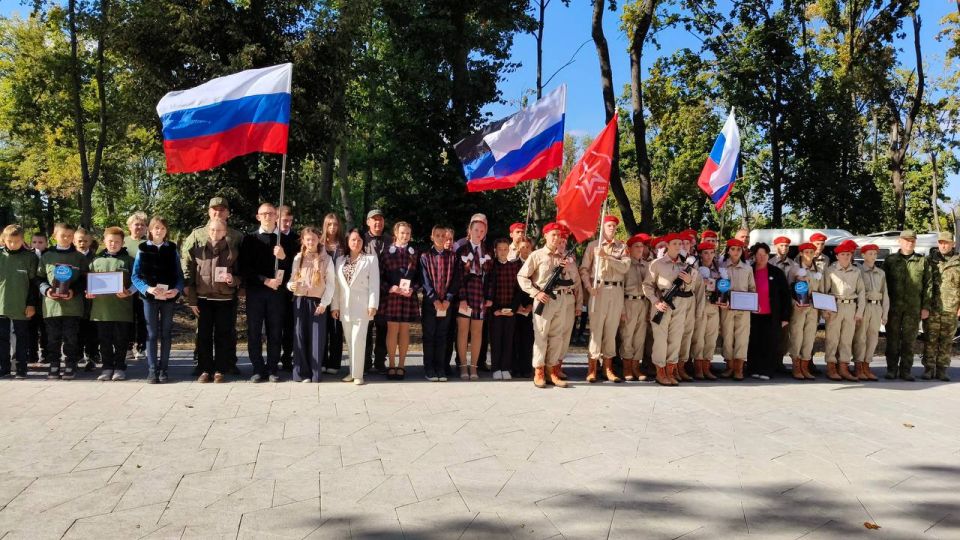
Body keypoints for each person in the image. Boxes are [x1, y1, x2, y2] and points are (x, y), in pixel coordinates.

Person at [180, 198, 243, 375]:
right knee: (203, 332)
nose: (218, 213)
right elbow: (186, 260)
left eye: (222, 210)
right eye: (214, 210)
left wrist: (239, 284)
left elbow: (241, 266)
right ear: (209, 212)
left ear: (228, 213)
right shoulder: (197, 234)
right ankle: (202, 364)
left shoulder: (237, 236)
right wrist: (187, 283)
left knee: (228, 329)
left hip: (227, 293)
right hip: (203, 292)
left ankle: (228, 363)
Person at [517, 223, 581, 388]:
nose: (556, 238)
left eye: (558, 235)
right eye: (553, 235)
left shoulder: (565, 257)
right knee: (541, 336)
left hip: (561, 300)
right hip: (544, 299)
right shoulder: (537, 255)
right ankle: (538, 371)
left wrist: (569, 268)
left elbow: (574, 282)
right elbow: (522, 276)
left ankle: (551, 370)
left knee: (557, 337)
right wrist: (536, 293)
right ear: (545, 236)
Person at [240, 203, 296, 383]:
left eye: (271, 214)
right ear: (258, 217)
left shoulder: (285, 241)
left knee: (275, 331)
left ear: (276, 216)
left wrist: (284, 258)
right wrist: (265, 280)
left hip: (277, 294)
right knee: (254, 331)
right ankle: (258, 368)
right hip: (256, 292)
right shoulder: (249, 239)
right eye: (264, 214)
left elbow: (294, 269)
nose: (267, 217)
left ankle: (272, 368)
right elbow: (244, 269)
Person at [132, 216, 184, 383]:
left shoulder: (172, 249)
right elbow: (135, 276)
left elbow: (179, 276)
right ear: (150, 230)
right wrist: (148, 289)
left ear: (166, 230)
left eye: (162, 228)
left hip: (168, 298)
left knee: (166, 333)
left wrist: (176, 290)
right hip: (150, 298)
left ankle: (164, 369)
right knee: (152, 334)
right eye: (156, 228)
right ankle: (152, 369)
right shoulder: (142, 249)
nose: (159, 231)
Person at [580, 215, 630, 383]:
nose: (612, 228)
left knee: (611, 330)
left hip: (616, 290)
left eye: (614, 226)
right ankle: (592, 368)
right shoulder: (593, 246)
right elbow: (584, 269)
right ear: (602, 227)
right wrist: (588, 287)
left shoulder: (622, 247)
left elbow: (625, 267)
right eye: (608, 225)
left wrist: (607, 257)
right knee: (596, 330)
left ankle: (608, 368)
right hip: (598, 289)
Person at [643, 233, 696, 386]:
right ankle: (660, 372)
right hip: (663, 303)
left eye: (680, 244)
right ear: (667, 245)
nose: (678, 246)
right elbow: (647, 285)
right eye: (675, 243)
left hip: (680, 304)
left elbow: (691, 288)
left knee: (676, 338)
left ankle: (670, 371)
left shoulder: (685, 265)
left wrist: (689, 280)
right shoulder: (657, 263)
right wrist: (655, 302)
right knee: (660, 340)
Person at [38, 223, 88, 380]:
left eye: (69, 236)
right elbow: (39, 278)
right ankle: (54, 364)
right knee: (52, 337)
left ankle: (70, 364)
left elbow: (85, 279)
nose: (66, 239)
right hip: (51, 306)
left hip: (72, 306)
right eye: (62, 235)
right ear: (54, 236)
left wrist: (74, 290)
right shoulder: (47, 256)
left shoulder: (79, 257)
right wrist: (46, 290)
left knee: (71, 337)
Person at [287, 226, 336, 383]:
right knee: (300, 336)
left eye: (313, 239)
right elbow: (291, 279)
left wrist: (325, 303)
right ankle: (301, 372)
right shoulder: (298, 258)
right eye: (307, 239)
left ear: (318, 240)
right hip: (300, 300)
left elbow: (331, 284)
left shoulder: (326, 259)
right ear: (303, 241)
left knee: (316, 337)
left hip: (317, 302)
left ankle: (315, 373)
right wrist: (290, 286)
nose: (310, 242)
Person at [86, 227, 135, 382]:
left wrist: (129, 292)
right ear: (104, 241)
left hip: (122, 309)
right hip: (101, 310)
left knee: (121, 340)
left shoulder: (129, 260)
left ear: (122, 242)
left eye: (117, 242)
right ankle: (107, 367)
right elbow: (88, 281)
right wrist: (88, 291)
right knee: (104, 340)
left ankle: (120, 367)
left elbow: (137, 281)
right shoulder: (95, 261)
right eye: (110, 241)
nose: (113, 244)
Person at [332, 229, 380, 385]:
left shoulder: (370, 260)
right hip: (344, 307)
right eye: (353, 240)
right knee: (350, 341)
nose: (356, 243)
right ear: (347, 242)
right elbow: (337, 286)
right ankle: (352, 372)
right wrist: (335, 306)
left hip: (362, 306)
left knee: (359, 340)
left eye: (359, 240)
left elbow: (374, 285)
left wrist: (373, 304)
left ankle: (358, 375)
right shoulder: (340, 260)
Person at [883, 230, 931, 381]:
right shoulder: (890, 261)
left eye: (912, 240)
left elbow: (928, 286)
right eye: (906, 240)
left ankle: (906, 371)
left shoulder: (922, 261)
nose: (909, 243)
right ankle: (891, 369)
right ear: (900, 241)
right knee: (892, 340)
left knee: (909, 341)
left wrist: (925, 307)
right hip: (893, 308)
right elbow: (883, 285)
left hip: (913, 308)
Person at [455, 215, 493, 380]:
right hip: (465, 292)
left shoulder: (487, 250)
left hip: (480, 294)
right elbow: (457, 276)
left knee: (477, 332)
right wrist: (462, 298)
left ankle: (474, 367)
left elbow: (491, 276)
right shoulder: (461, 250)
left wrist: (489, 296)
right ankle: (463, 366)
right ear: (469, 231)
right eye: (476, 230)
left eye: (482, 230)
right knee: (463, 331)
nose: (479, 233)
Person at [419, 225, 459, 382]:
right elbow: (425, 281)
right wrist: (435, 300)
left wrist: (448, 299)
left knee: (442, 336)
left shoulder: (453, 257)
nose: (441, 238)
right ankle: (429, 368)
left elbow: (456, 280)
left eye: (444, 236)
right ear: (432, 237)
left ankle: (440, 367)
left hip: (446, 304)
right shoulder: (425, 257)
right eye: (438, 235)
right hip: (431, 304)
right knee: (429, 336)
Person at [746, 243, 792, 380]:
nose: (761, 258)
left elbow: (785, 295)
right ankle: (753, 368)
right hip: (752, 315)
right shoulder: (749, 270)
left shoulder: (776, 273)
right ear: (754, 256)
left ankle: (766, 370)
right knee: (754, 342)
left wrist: (785, 317)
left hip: (771, 315)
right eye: (759, 255)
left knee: (769, 343)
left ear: (768, 255)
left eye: (764, 255)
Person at [380, 221, 419, 380]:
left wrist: (413, 289)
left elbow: (420, 277)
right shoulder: (386, 253)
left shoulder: (415, 252)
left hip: (407, 297)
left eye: (408, 233)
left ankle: (401, 365)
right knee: (392, 330)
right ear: (395, 234)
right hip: (392, 296)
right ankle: (391, 365)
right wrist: (389, 287)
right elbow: (380, 275)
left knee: (404, 330)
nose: (405, 236)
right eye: (402, 233)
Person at [822, 239, 864, 381]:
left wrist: (859, 312)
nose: (846, 257)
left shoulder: (856, 271)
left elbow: (862, 293)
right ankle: (831, 366)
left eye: (848, 254)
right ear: (837, 256)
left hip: (851, 306)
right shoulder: (830, 271)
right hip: (835, 306)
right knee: (832, 338)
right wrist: (825, 310)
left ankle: (844, 367)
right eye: (843, 254)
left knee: (846, 339)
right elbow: (824, 291)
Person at [0, 225, 39, 378]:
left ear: (23, 240)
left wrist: (31, 304)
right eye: (9, 241)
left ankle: (22, 368)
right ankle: (4, 368)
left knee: (22, 337)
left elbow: (34, 283)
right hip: (1, 305)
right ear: (4, 239)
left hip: (22, 306)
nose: (13, 244)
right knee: (2, 338)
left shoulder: (30, 257)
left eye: (16, 241)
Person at [921, 232, 959, 381]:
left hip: (951, 308)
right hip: (932, 307)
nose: (943, 245)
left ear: (953, 244)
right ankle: (928, 369)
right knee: (930, 339)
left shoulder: (958, 262)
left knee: (946, 341)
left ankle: (942, 370)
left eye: (947, 243)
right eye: (941, 242)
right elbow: (924, 284)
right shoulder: (930, 261)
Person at [719, 238, 755, 381]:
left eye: (738, 249)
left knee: (742, 337)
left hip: (744, 308)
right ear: (728, 251)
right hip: (727, 307)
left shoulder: (747, 268)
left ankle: (739, 368)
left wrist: (752, 302)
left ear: (742, 251)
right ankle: (729, 366)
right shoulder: (722, 266)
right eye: (732, 249)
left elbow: (752, 288)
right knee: (727, 336)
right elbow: (719, 285)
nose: (735, 252)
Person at [488, 238, 523, 380]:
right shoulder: (491, 267)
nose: (503, 252)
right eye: (500, 249)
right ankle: (496, 367)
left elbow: (518, 290)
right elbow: (490, 289)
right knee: (496, 339)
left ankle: (505, 367)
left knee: (508, 339)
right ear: (495, 251)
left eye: (505, 249)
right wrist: (494, 308)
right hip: (495, 310)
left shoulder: (514, 267)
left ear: (509, 250)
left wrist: (513, 309)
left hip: (510, 310)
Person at [787, 243, 823, 380]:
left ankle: (805, 365)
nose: (809, 254)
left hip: (813, 308)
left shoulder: (817, 271)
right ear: (801, 253)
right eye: (806, 252)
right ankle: (796, 365)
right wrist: (793, 302)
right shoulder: (794, 269)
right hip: (799, 308)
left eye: (811, 252)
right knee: (797, 336)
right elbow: (789, 289)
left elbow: (822, 290)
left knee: (809, 337)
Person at [852, 244, 887, 381]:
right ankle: (858, 366)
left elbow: (885, 294)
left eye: (874, 254)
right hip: (864, 306)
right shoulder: (858, 271)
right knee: (861, 337)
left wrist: (885, 313)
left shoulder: (881, 273)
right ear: (863, 255)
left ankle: (867, 365)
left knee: (873, 338)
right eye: (870, 254)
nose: (873, 256)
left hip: (876, 306)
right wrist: (858, 311)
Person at [619, 233, 651, 382]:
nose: (640, 249)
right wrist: (622, 310)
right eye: (636, 246)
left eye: (642, 246)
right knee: (627, 335)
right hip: (629, 302)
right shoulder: (625, 265)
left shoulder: (647, 265)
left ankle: (636, 367)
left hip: (643, 303)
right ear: (629, 249)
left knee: (640, 337)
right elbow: (620, 289)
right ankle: (626, 367)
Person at [363, 209, 391, 375]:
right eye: (374, 220)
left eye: (380, 220)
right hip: (366, 290)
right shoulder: (362, 239)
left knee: (383, 328)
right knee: (366, 327)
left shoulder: (390, 240)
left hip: (385, 291)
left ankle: (380, 361)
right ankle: (365, 362)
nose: (377, 223)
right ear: (368, 222)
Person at [320, 213, 345, 376]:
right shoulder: (319, 244)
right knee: (322, 329)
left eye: (335, 224)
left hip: (339, 291)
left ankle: (334, 362)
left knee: (336, 329)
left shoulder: (343, 245)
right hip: (321, 291)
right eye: (329, 224)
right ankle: (321, 361)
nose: (332, 228)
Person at [691, 241, 720, 380]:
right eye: (706, 253)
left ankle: (706, 367)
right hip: (700, 305)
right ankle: (697, 368)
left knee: (711, 338)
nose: (709, 256)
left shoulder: (718, 270)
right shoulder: (695, 269)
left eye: (711, 253)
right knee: (699, 338)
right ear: (701, 255)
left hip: (714, 306)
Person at [74, 227, 100, 372]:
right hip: (75, 300)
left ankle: (92, 357)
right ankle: (77, 356)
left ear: (90, 242)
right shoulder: (71, 257)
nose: (82, 243)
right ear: (74, 241)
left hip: (92, 301)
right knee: (77, 330)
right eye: (79, 241)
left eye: (85, 241)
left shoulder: (96, 259)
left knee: (92, 330)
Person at [125, 211, 149, 361]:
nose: (139, 227)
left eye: (142, 224)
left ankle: (141, 347)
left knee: (143, 318)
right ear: (129, 226)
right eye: (136, 224)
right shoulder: (123, 241)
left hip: (144, 287)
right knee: (127, 318)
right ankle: (127, 347)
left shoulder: (149, 243)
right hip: (125, 287)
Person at [512, 237, 535, 378]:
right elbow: (512, 286)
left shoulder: (535, 264)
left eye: (527, 247)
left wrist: (531, 305)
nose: (525, 250)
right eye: (522, 247)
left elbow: (538, 284)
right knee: (515, 338)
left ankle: (526, 368)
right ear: (518, 248)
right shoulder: (512, 264)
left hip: (531, 305)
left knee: (528, 339)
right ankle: (515, 368)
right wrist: (517, 306)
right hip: (516, 305)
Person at [279, 205, 297, 372]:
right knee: (274, 325)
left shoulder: (296, 238)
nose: (287, 224)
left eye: (290, 221)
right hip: (273, 287)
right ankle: (272, 357)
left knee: (289, 325)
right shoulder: (272, 237)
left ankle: (287, 358)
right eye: (285, 220)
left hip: (290, 287)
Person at [26, 231, 48, 365]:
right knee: (31, 328)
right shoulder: (28, 256)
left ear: (46, 243)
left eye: (40, 242)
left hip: (46, 298)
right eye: (34, 242)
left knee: (45, 328)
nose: (37, 245)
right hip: (30, 298)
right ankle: (32, 354)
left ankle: (45, 353)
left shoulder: (50, 256)